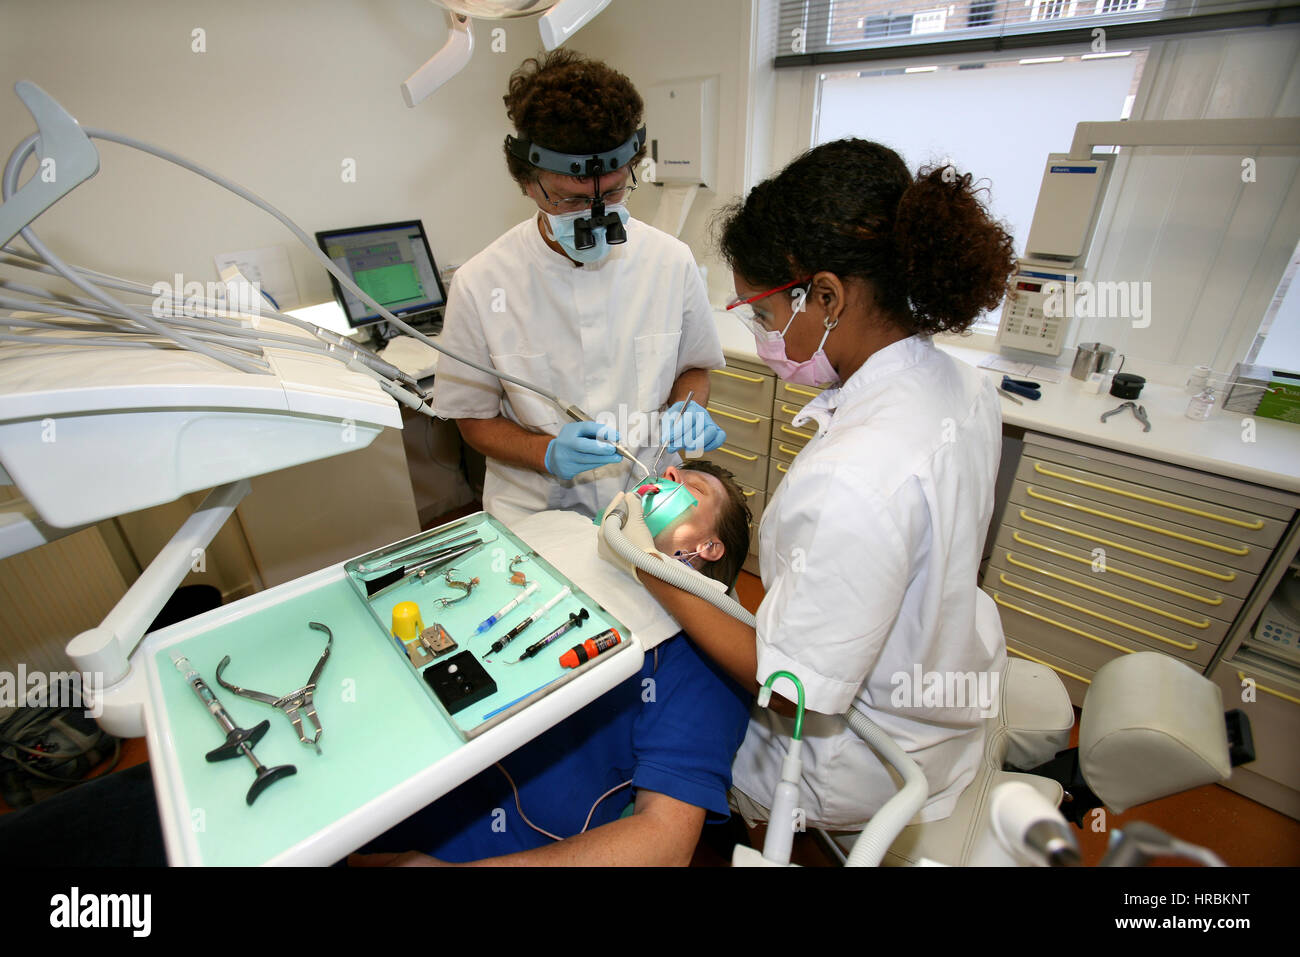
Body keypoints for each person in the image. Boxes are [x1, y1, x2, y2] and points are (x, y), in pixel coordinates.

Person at [608, 138, 1018, 830]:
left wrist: (649, 569)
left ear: (826, 296)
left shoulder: (853, 478)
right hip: (940, 712)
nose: (764, 337)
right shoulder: (965, 388)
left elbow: (791, 698)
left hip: (855, 767)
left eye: (765, 315)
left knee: (650, 747)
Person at [350, 462, 752, 866]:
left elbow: (664, 843)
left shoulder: (705, 660)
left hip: (491, 840)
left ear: (709, 548)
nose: (667, 476)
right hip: (397, 774)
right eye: (668, 473)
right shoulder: (560, 534)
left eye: (693, 487)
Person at [431, 50, 728, 528]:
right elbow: (473, 419)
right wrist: (546, 452)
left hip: (648, 500)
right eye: (570, 199)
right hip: (535, 514)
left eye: (611, 194)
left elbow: (692, 367)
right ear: (526, 182)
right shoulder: (481, 283)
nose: (596, 216)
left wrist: (687, 410)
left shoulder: (670, 261)